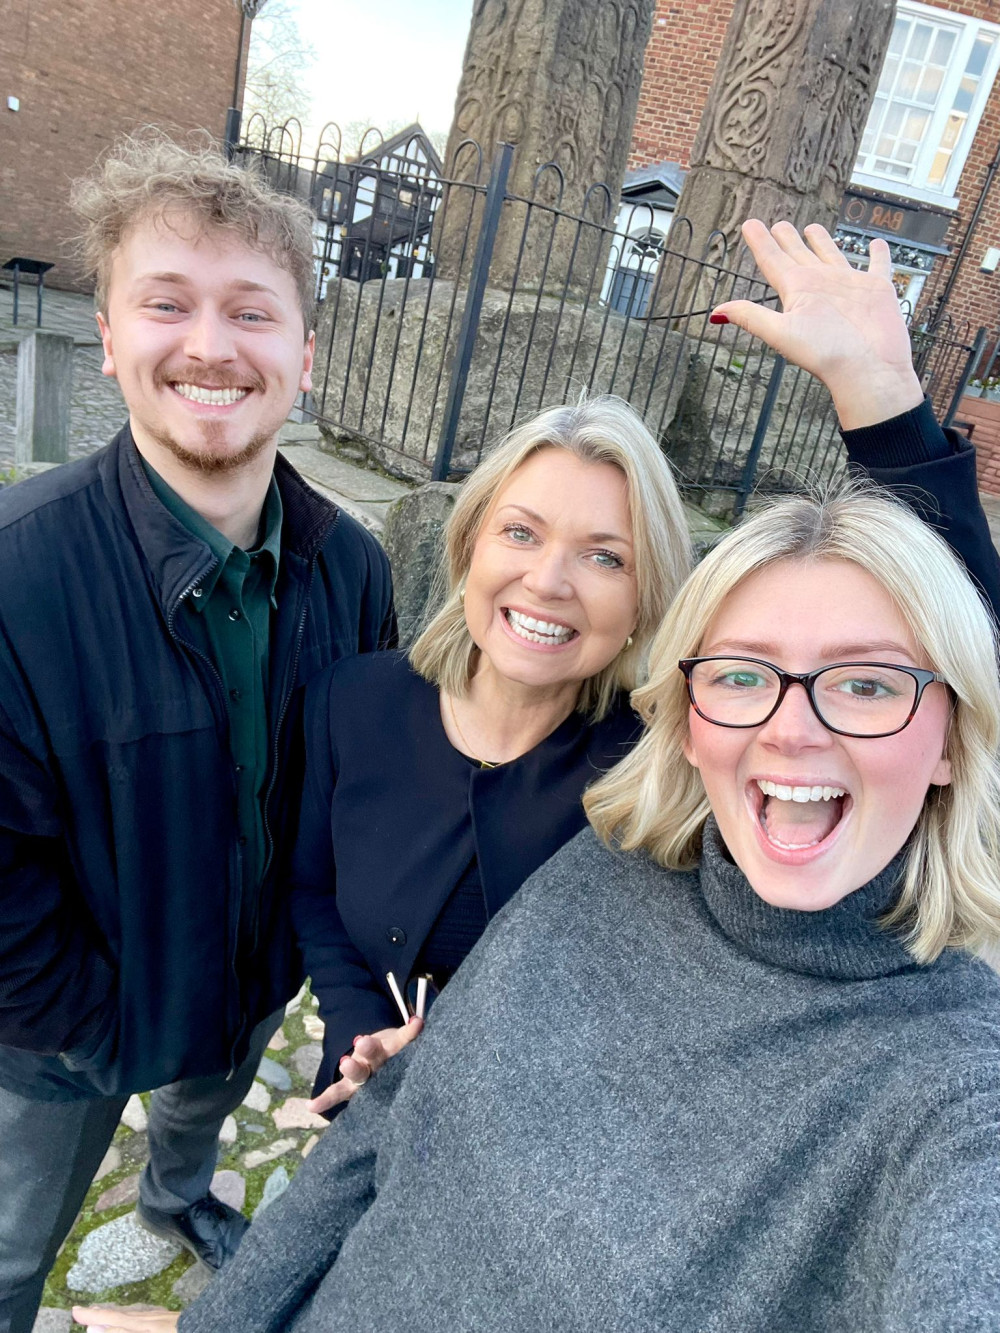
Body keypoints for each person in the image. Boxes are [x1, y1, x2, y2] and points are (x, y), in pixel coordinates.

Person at [76, 484, 1000, 1332]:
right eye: (744, 674)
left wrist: (890, 409)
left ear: (955, 734)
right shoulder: (612, 859)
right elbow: (387, 1113)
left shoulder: (952, 1090)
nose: (791, 729)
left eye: (869, 684)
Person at [292, 217, 1000, 1118]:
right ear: (468, 546)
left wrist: (886, 405)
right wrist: (354, 1039)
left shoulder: (667, 770)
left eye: (605, 556)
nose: (547, 582)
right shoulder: (351, 703)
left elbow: (962, 665)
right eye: (520, 532)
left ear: (646, 601)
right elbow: (316, 892)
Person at [0, 136, 394, 1333]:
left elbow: (354, 795)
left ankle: (175, 1199)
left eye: (252, 312)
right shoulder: (18, 570)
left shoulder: (355, 567)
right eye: (167, 303)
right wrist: (87, 1025)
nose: (212, 345)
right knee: (12, 1244)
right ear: (110, 337)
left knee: (196, 1120)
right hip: (60, 1029)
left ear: (305, 356)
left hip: (247, 983)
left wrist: (309, 972)